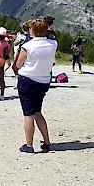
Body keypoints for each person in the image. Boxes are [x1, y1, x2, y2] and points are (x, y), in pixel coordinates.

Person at [14, 19, 58, 153]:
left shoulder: (28, 46)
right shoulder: (53, 44)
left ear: (32, 30)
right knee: (38, 112)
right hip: (44, 81)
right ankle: (47, 141)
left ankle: (29, 145)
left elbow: (18, 64)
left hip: (27, 80)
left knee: (29, 114)